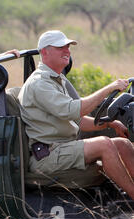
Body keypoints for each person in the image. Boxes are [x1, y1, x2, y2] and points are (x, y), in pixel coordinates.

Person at [19, 30, 134, 199]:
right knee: (104, 144)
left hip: (62, 148)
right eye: (60, 47)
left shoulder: (56, 78)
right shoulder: (39, 83)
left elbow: (78, 121)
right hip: (47, 155)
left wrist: (111, 123)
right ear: (44, 52)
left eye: (67, 47)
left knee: (122, 144)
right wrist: (110, 87)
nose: (67, 51)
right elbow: (75, 109)